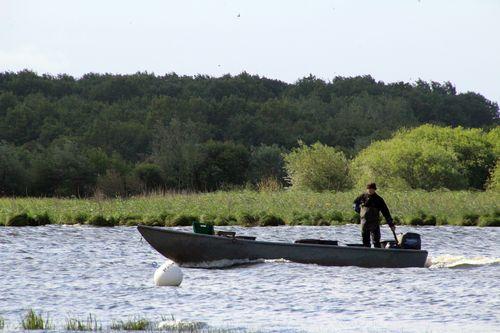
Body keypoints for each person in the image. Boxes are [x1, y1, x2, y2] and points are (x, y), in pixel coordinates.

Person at [353, 183, 395, 248]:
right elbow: (355, 204)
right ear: (367, 189)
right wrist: (360, 211)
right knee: (365, 241)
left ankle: (377, 253)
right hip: (364, 223)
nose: (370, 190)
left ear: (375, 190)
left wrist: (391, 224)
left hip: (374, 223)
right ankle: (366, 253)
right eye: (369, 189)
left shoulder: (379, 199)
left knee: (376, 240)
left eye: (372, 189)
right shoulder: (362, 196)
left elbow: (386, 212)